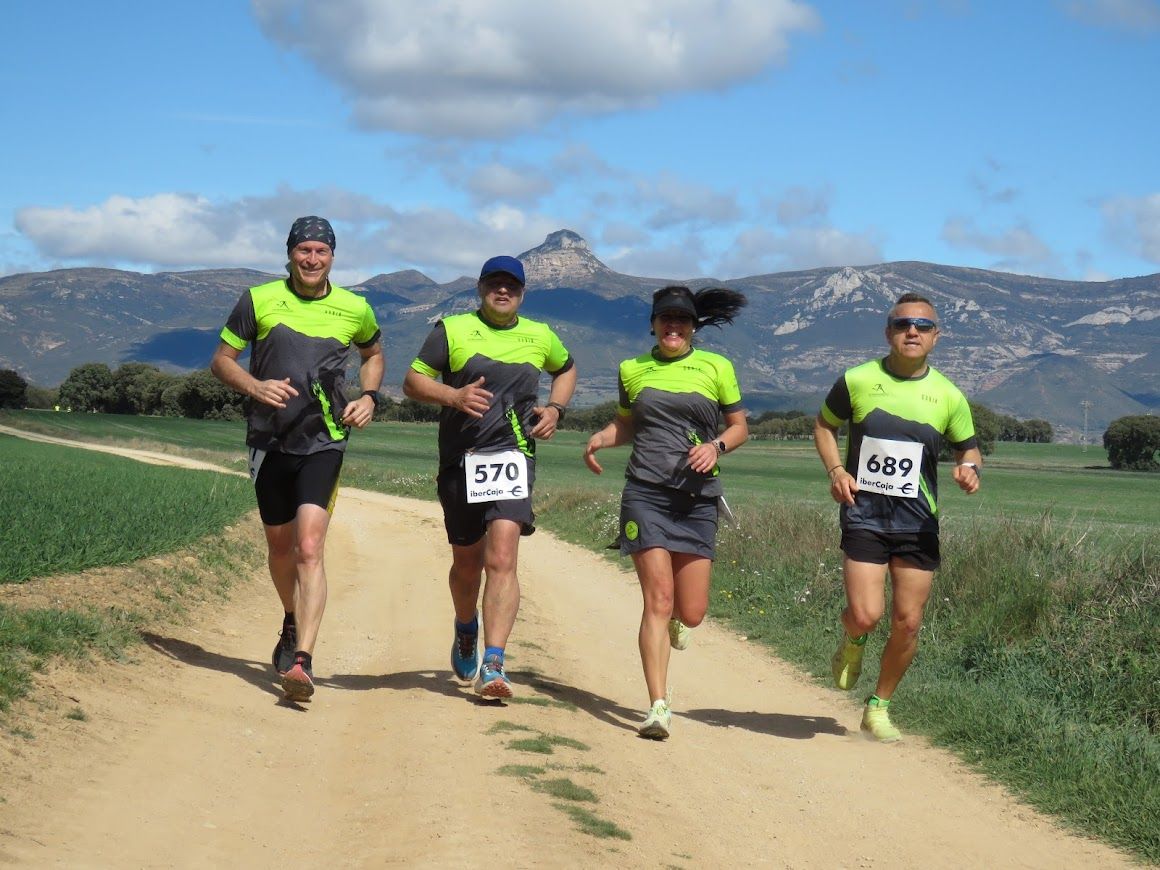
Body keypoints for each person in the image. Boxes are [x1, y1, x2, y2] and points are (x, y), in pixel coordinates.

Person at [210, 216, 383, 703]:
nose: (312, 259)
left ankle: (303, 660)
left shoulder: (355, 307)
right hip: (268, 442)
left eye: (321, 252)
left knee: (309, 548)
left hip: (324, 440)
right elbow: (222, 360)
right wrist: (254, 384)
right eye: (303, 251)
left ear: (333, 257)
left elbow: (373, 353)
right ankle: (291, 617)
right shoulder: (258, 299)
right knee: (281, 549)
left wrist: (370, 397)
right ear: (289, 254)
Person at [402, 255, 576, 699]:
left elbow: (566, 367)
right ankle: (466, 628)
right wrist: (453, 395)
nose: (504, 292)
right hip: (461, 458)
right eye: (495, 284)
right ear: (480, 288)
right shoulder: (453, 330)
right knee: (467, 562)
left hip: (513, 456)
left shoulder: (540, 335)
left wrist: (555, 408)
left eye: (512, 286)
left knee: (502, 558)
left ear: (522, 293)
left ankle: (494, 663)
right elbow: (412, 382)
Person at [813, 292, 981, 742]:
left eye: (923, 326)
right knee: (867, 615)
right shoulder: (856, 380)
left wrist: (971, 468)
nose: (913, 331)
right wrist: (835, 470)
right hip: (864, 514)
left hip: (918, 523)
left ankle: (879, 706)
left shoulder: (949, 395)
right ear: (888, 332)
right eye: (903, 324)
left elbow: (968, 446)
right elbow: (824, 425)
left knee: (908, 622)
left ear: (936, 337)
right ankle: (853, 641)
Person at [584, 285, 748, 739]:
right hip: (646, 495)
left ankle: (681, 622)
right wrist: (600, 437)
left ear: (694, 327)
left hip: (698, 500)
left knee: (691, 611)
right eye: (665, 318)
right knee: (657, 599)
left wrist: (715, 448)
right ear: (653, 324)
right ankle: (657, 705)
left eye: (682, 320)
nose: (673, 326)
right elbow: (627, 424)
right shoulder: (632, 369)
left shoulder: (717, 367)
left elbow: (738, 429)